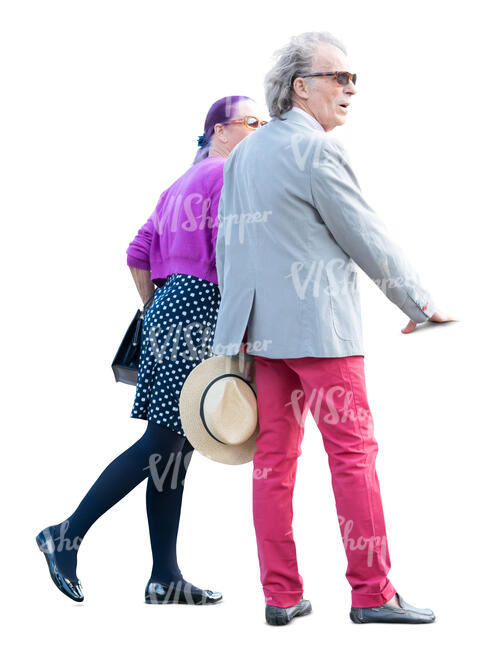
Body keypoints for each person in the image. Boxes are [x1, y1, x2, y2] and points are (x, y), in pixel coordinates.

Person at [212, 32, 455, 625]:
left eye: (353, 80)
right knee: (353, 458)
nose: (349, 89)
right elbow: (363, 233)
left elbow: (228, 245)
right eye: (337, 78)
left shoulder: (245, 152)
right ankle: (373, 595)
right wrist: (419, 303)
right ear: (301, 86)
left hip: (259, 337)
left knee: (272, 463)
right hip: (320, 334)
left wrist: (234, 333)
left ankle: (280, 594)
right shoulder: (316, 150)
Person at [36, 94, 266, 605]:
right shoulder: (229, 175)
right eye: (253, 122)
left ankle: (165, 576)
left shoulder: (176, 185)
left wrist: (156, 308)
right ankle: (65, 534)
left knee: (174, 448)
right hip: (201, 307)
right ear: (219, 132)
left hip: (168, 307)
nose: (262, 130)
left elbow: (137, 252)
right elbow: (237, 254)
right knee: (164, 443)